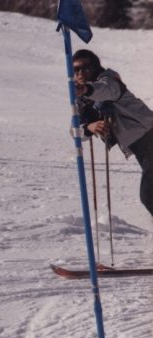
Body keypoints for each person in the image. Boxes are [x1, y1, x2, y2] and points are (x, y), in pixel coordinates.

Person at [73, 49, 153, 218]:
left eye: (87, 68)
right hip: (141, 147)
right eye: (76, 70)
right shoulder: (83, 101)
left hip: (150, 135)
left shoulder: (109, 80)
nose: (81, 73)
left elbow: (108, 90)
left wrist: (86, 89)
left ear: (96, 68)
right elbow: (74, 131)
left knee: (149, 194)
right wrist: (89, 127)